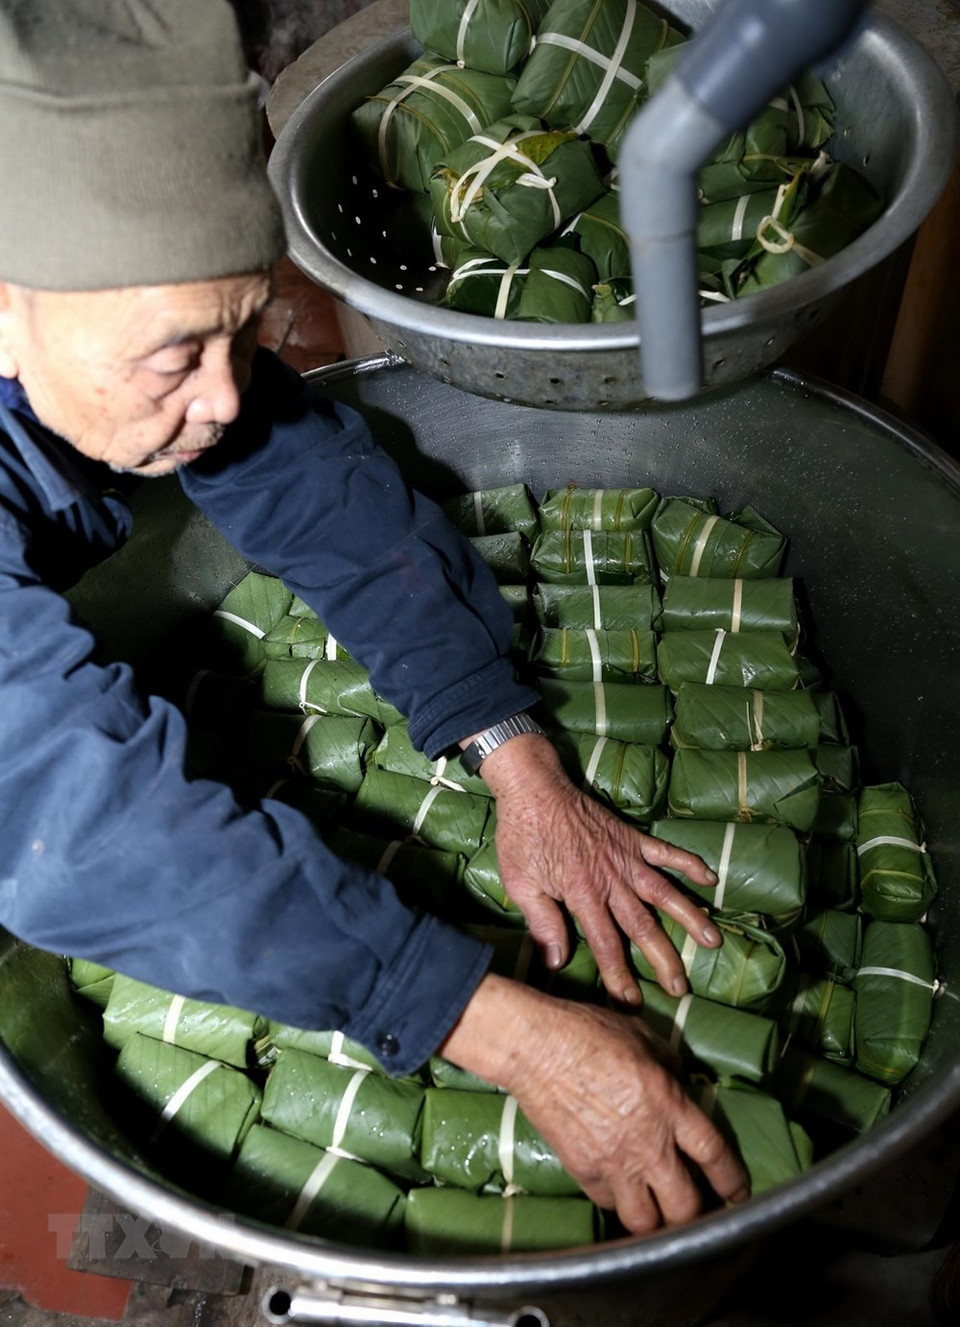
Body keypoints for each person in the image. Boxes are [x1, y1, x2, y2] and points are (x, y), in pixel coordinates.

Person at [0, 0, 748, 1233]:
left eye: (245, 331)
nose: (224, 395)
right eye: (177, 357)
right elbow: (67, 826)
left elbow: (310, 489)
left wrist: (516, 758)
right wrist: (498, 1030)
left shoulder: (132, 349)